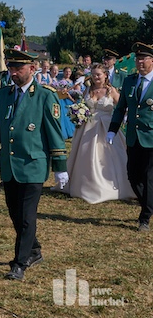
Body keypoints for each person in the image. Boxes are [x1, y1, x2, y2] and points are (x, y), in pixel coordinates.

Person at [0, 48, 68, 281]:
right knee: (15, 215)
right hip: (9, 166)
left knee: (27, 216)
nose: (13, 72)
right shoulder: (3, 95)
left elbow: (54, 133)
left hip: (33, 165)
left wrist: (60, 166)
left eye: (18, 68)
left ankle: (19, 264)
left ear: (32, 69)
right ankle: (34, 250)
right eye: (11, 68)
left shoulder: (44, 96)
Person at [65, 63, 134, 203]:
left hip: (107, 127)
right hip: (87, 128)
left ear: (105, 75)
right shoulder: (87, 90)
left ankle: (110, 185)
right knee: (85, 155)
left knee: (108, 156)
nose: (96, 77)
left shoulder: (111, 91)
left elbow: (122, 106)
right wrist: (77, 113)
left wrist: (127, 118)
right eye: (94, 74)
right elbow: (82, 105)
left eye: (99, 74)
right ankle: (84, 184)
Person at [108, 42, 153, 232]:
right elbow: (121, 108)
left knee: (149, 177)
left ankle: (145, 217)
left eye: (143, 58)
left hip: (151, 136)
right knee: (133, 175)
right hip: (133, 136)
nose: (139, 62)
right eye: (137, 58)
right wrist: (112, 129)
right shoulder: (129, 81)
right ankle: (149, 205)